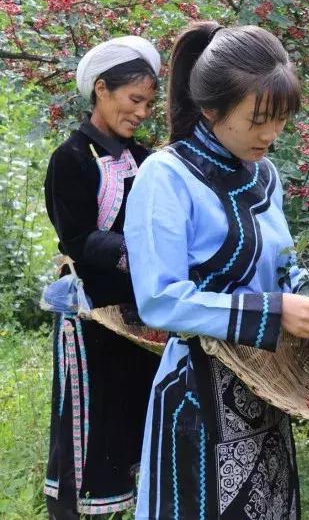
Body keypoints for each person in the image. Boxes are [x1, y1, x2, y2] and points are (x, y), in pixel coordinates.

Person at [123, 21, 309, 519]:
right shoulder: (167, 175)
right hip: (199, 400)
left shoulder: (265, 174)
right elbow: (159, 299)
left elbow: (282, 270)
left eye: (281, 118)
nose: (271, 134)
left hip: (268, 387)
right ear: (211, 108)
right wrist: (273, 310)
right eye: (258, 118)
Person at [42, 36, 162, 517]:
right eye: (135, 100)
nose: (142, 112)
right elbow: (76, 239)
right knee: (92, 421)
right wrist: (142, 253)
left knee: (136, 415)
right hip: (92, 315)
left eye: (150, 104)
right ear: (101, 90)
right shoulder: (70, 159)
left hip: (141, 316)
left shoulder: (148, 160)